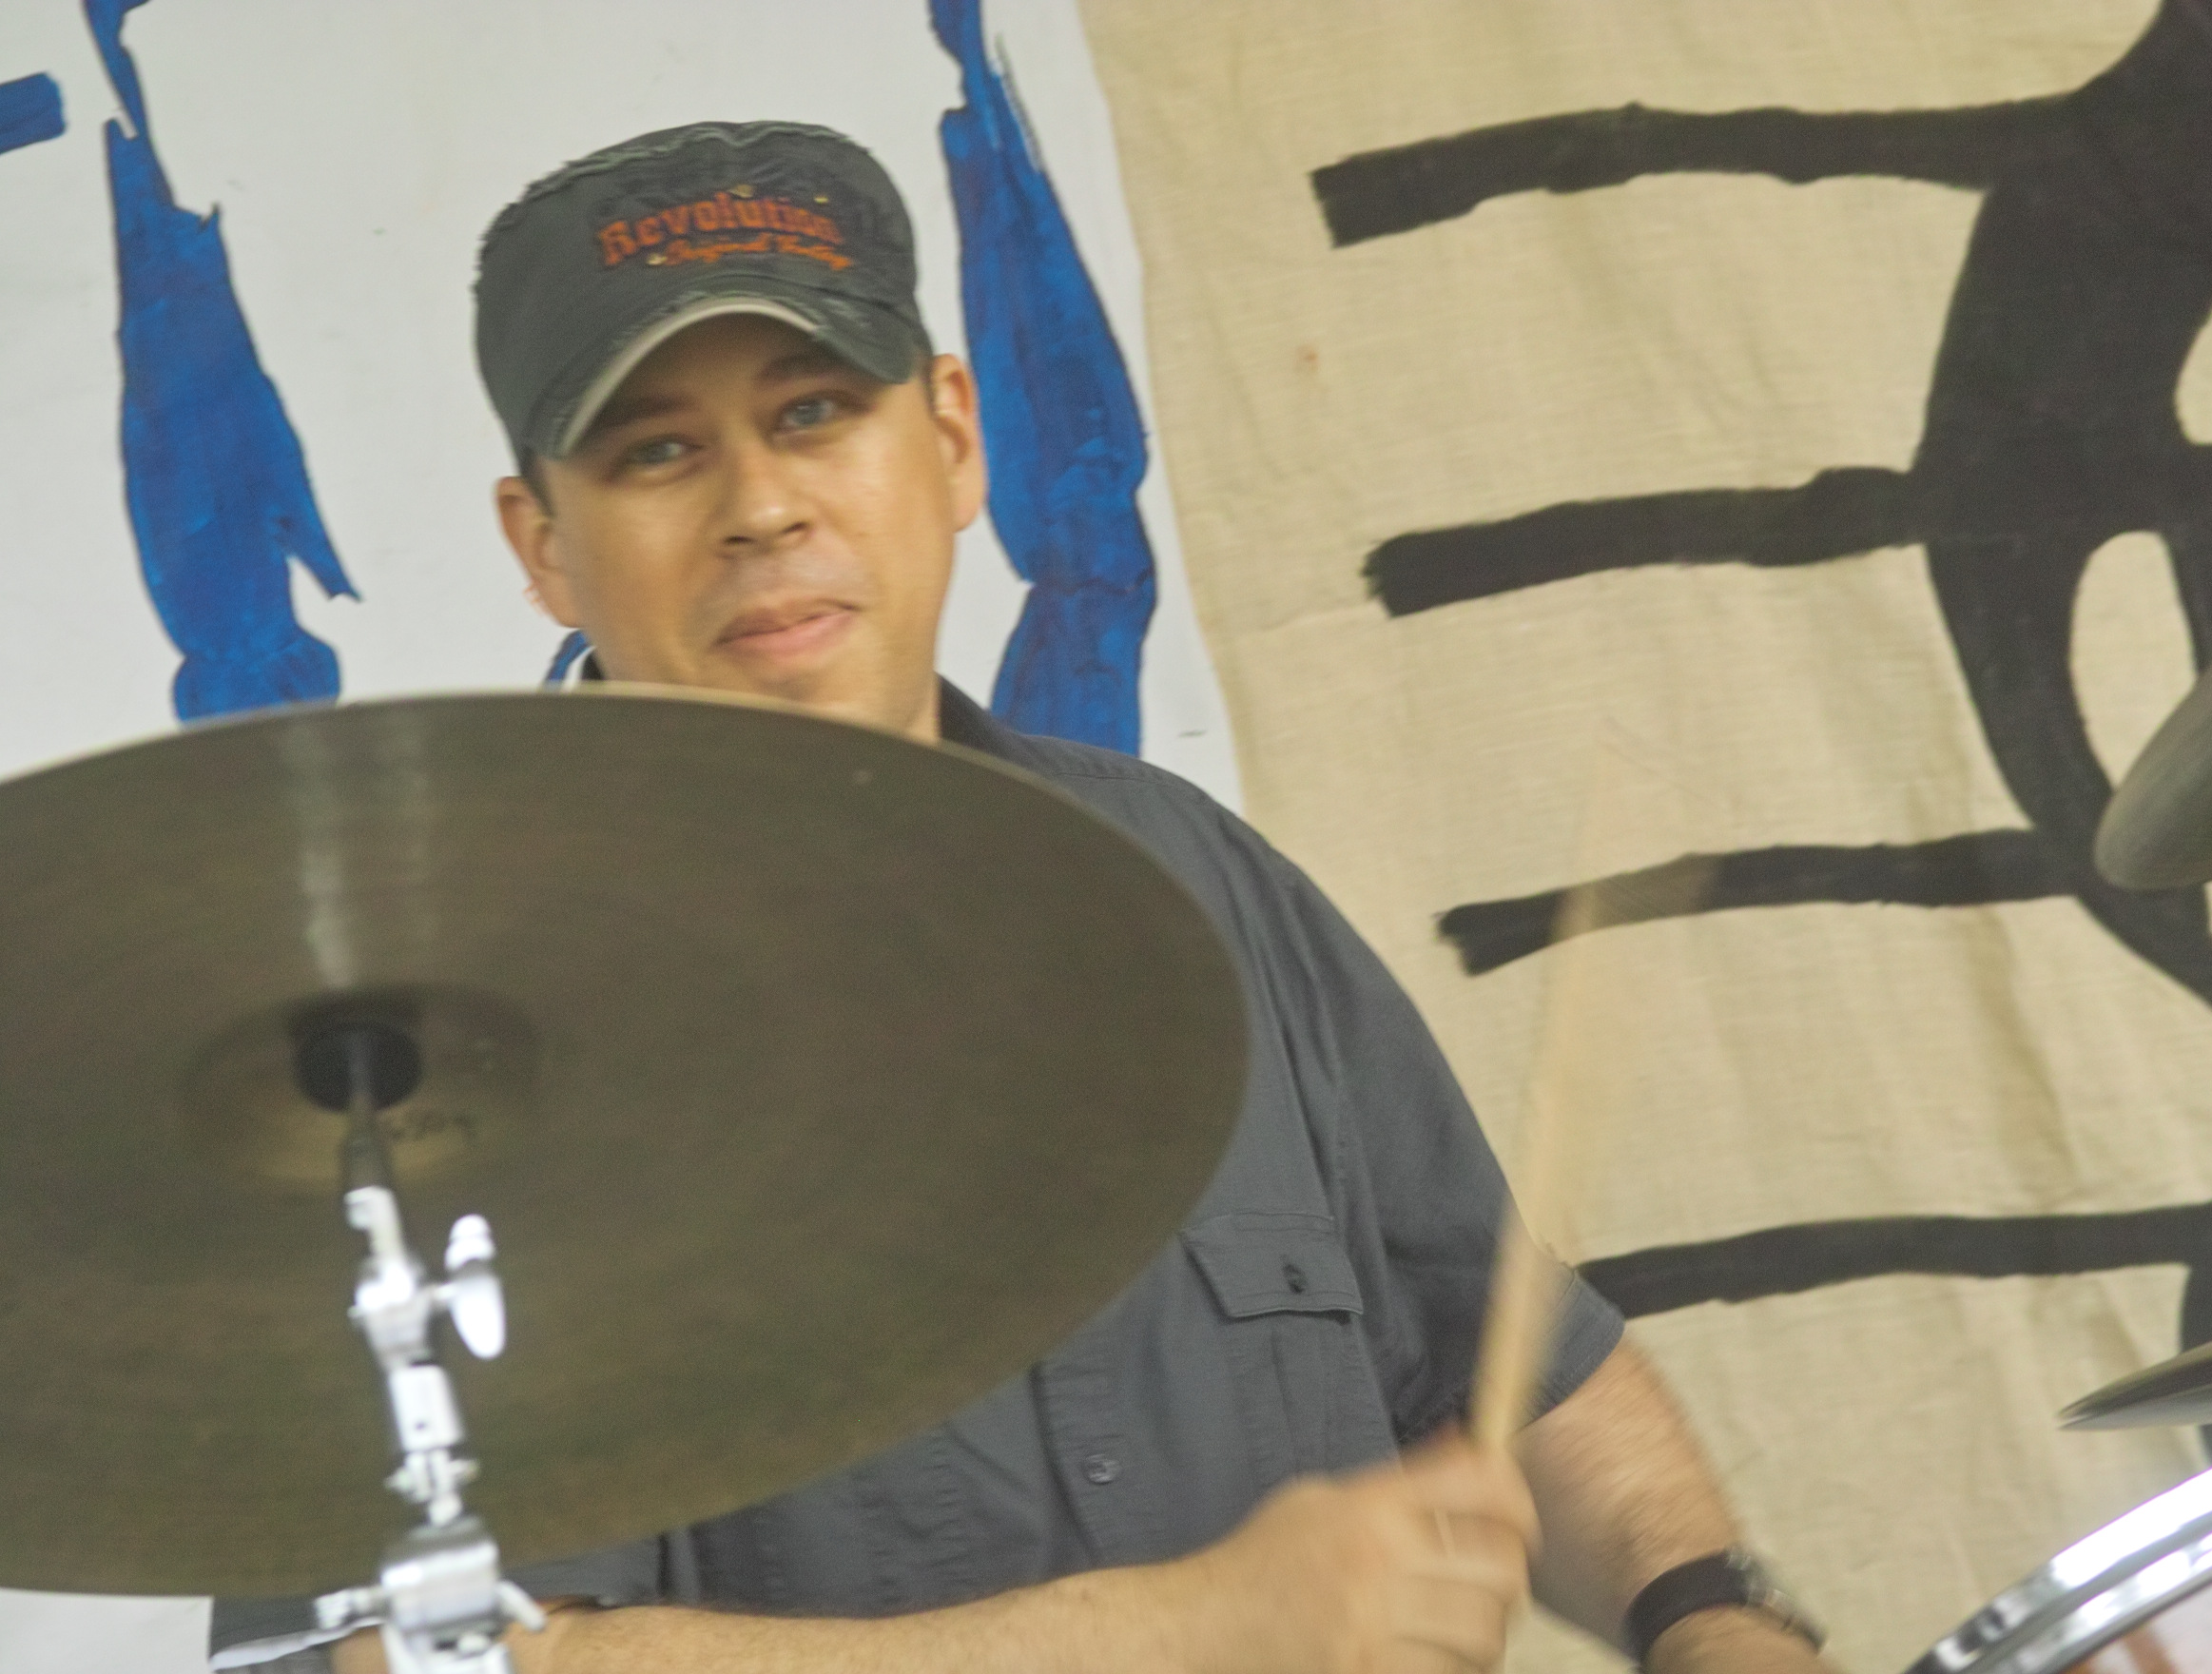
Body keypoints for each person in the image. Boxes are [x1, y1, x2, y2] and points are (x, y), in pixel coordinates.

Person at [211, 121, 1830, 1674]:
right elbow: (416, 1664)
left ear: (953, 440)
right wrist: (1186, 1636)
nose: (761, 507)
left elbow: (1523, 1370)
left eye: (814, 412)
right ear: (545, 547)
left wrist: (1709, 1617)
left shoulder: (1197, 885)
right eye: (657, 452)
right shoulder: (409, 1064)